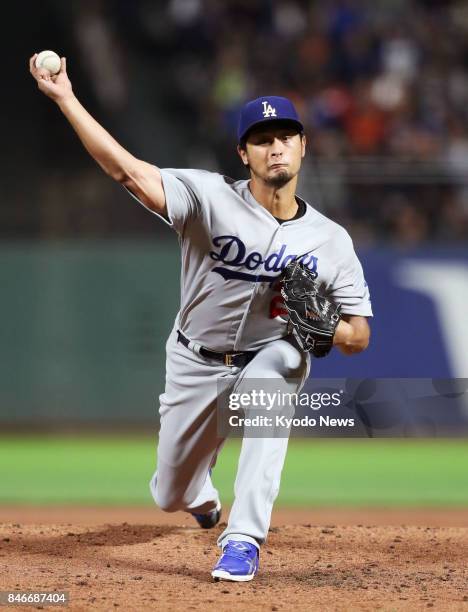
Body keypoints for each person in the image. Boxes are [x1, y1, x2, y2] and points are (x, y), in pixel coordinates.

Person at [29, 54, 372, 582]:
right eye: (262, 138)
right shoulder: (208, 198)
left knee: (270, 382)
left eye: (285, 135)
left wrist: (329, 329)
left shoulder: (331, 240)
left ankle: (244, 539)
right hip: (195, 359)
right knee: (169, 492)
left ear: (303, 145)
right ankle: (200, 495)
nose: (275, 145)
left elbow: (359, 336)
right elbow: (126, 170)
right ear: (243, 153)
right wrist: (66, 99)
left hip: (270, 352)